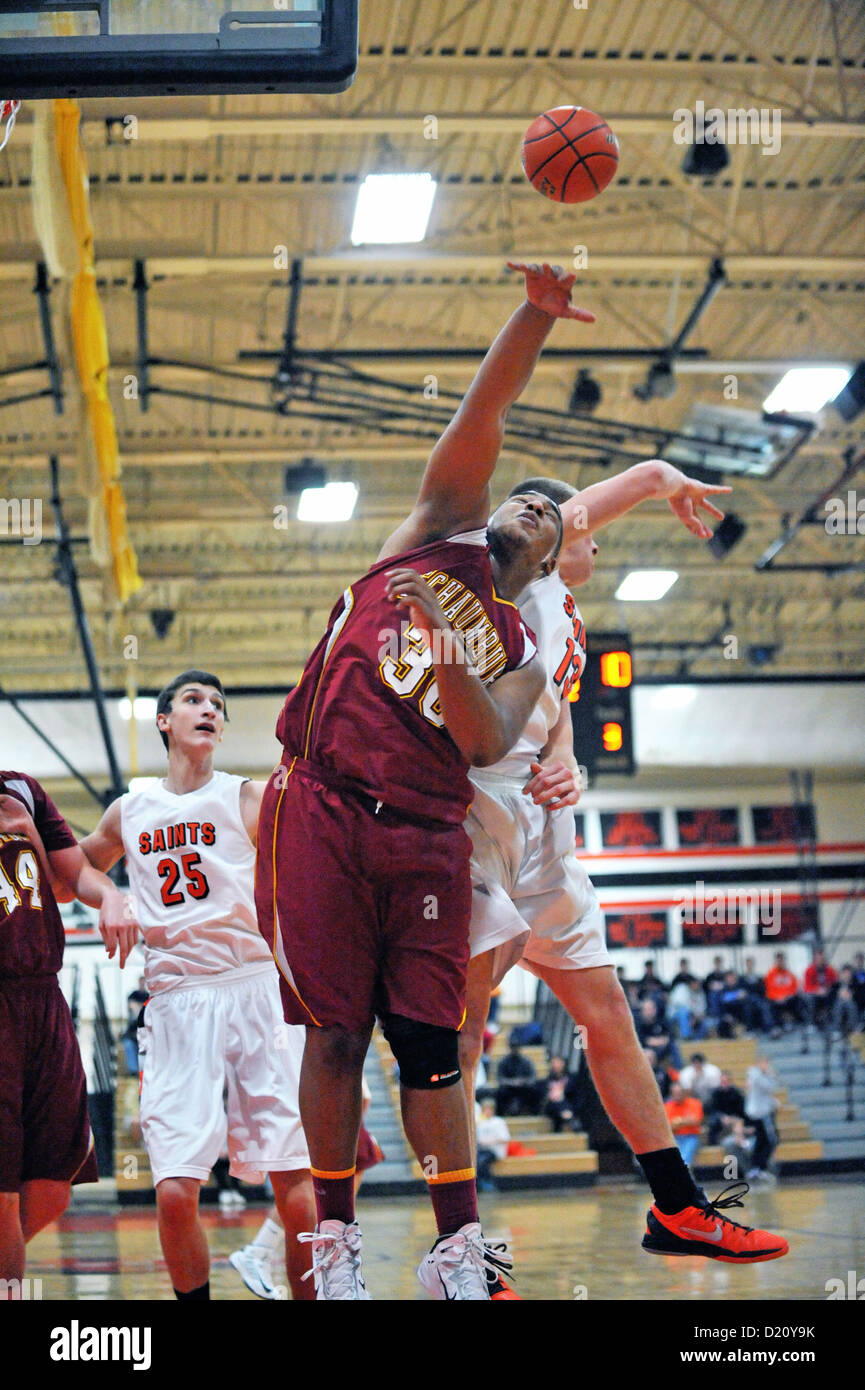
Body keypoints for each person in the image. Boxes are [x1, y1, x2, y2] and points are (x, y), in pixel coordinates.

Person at [254, 262, 587, 1301]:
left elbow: (486, 741)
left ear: (552, 553)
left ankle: (458, 1254)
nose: (526, 508)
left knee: (430, 1047)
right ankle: (333, 1246)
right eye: (523, 494)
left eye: (547, 515)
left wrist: (450, 638)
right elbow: (486, 405)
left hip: (427, 835)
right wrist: (534, 314)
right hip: (320, 804)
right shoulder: (439, 521)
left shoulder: (522, 642)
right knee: (334, 1033)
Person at [455, 447, 789, 1263]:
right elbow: (581, 507)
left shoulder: (560, 608)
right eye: (584, 531)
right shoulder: (497, 572)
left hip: (545, 836)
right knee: (459, 1041)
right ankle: (462, 1246)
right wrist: (655, 478)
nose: (594, 543)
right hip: (477, 823)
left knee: (606, 1016)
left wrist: (566, 753)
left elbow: (553, 706)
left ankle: (678, 1208)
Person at [80, 671, 316, 1301]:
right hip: (178, 1001)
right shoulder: (130, 812)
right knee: (176, 1192)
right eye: (193, 701)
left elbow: (321, 856)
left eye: (217, 704)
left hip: (258, 989)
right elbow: (65, 871)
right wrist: (109, 895)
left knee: (297, 1182)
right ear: (164, 721)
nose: (208, 709)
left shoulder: (246, 797)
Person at [0, 773, 131, 1298]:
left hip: (42, 997)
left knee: (52, 1190)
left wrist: (113, 898)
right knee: (4, 1198)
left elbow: (75, 871)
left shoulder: (22, 790)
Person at [229, 1078, 384, 1300]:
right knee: (313, 1198)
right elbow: (363, 1096)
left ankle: (260, 1250)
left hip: (327, 1103)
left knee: (310, 1196)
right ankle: (263, 1251)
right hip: (331, 1107)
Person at [745, 1057, 780, 1182]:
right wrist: (771, 1074)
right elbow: (770, 1087)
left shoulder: (754, 1075)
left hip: (759, 1111)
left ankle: (757, 1168)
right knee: (772, 1139)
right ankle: (760, 1168)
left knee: (762, 1140)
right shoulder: (757, 1075)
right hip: (761, 1113)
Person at [664, 1082, 704, 1170]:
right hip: (674, 1138)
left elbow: (696, 1121)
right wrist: (685, 1121)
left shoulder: (695, 1103)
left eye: (679, 1092)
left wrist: (677, 1122)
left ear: (684, 1093)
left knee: (684, 1159)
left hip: (691, 1137)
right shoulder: (667, 1106)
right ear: (671, 1094)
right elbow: (667, 1127)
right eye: (675, 1093)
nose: (677, 1095)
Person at [496, 1040, 541, 1117]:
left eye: (516, 1047)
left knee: (536, 1090)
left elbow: (533, 1077)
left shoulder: (526, 1061)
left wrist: (523, 1081)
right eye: (513, 1047)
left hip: (523, 1087)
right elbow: (500, 1078)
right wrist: (512, 1082)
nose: (515, 1050)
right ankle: (502, 1113)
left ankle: (533, 1113)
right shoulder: (504, 1061)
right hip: (509, 1088)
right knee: (500, 1092)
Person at [476, 1099, 511, 1192]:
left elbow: (505, 1138)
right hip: (483, 1149)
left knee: (481, 1161)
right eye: (485, 1109)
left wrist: (490, 1141)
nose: (487, 1112)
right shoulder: (480, 1122)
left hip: (495, 1150)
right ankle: (478, 1184)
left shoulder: (498, 1122)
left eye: (489, 1109)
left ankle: (488, 1183)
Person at [764, 952, 802, 1035]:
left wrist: (786, 996)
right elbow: (769, 990)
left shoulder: (789, 974)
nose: (780, 962)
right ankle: (775, 1027)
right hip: (775, 999)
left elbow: (794, 988)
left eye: (782, 960)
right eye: (778, 960)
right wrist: (778, 997)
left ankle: (791, 1023)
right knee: (769, 1004)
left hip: (787, 998)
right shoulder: (770, 974)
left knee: (797, 999)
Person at [705, 1071, 747, 1146]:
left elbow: (741, 1110)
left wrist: (732, 1118)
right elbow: (712, 1109)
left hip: (734, 1117)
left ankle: (740, 1142)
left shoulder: (737, 1093)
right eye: (722, 1081)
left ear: (731, 1082)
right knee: (712, 1122)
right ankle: (712, 1144)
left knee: (742, 1123)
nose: (724, 1084)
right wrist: (722, 1117)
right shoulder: (715, 1093)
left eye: (726, 1081)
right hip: (720, 1117)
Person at [803, 948, 839, 1030]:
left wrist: (827, 989)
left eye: (822, 958)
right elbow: (807, 987)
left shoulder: (829, 970)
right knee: (809, 998)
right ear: (815, 959)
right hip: (814, 994)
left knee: (835, 997)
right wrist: (817, 990)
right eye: (819, 958)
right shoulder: (809, 970)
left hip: (827, 993)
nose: (821, 960)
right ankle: (811, 1023)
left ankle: (833, 1022)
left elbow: (835, 983)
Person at [542, 1056, 576, 1133]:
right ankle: (567, 1118)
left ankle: (565, 1118)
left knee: (563, 1102)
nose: (556, 1065)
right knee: (556, 1102)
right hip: (551, 1105)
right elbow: (544, 1096)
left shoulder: (570, 1079)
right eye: (554, 1063)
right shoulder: (547, 1080)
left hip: (566, 1103)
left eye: (558, 1062)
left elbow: (572, 1095)